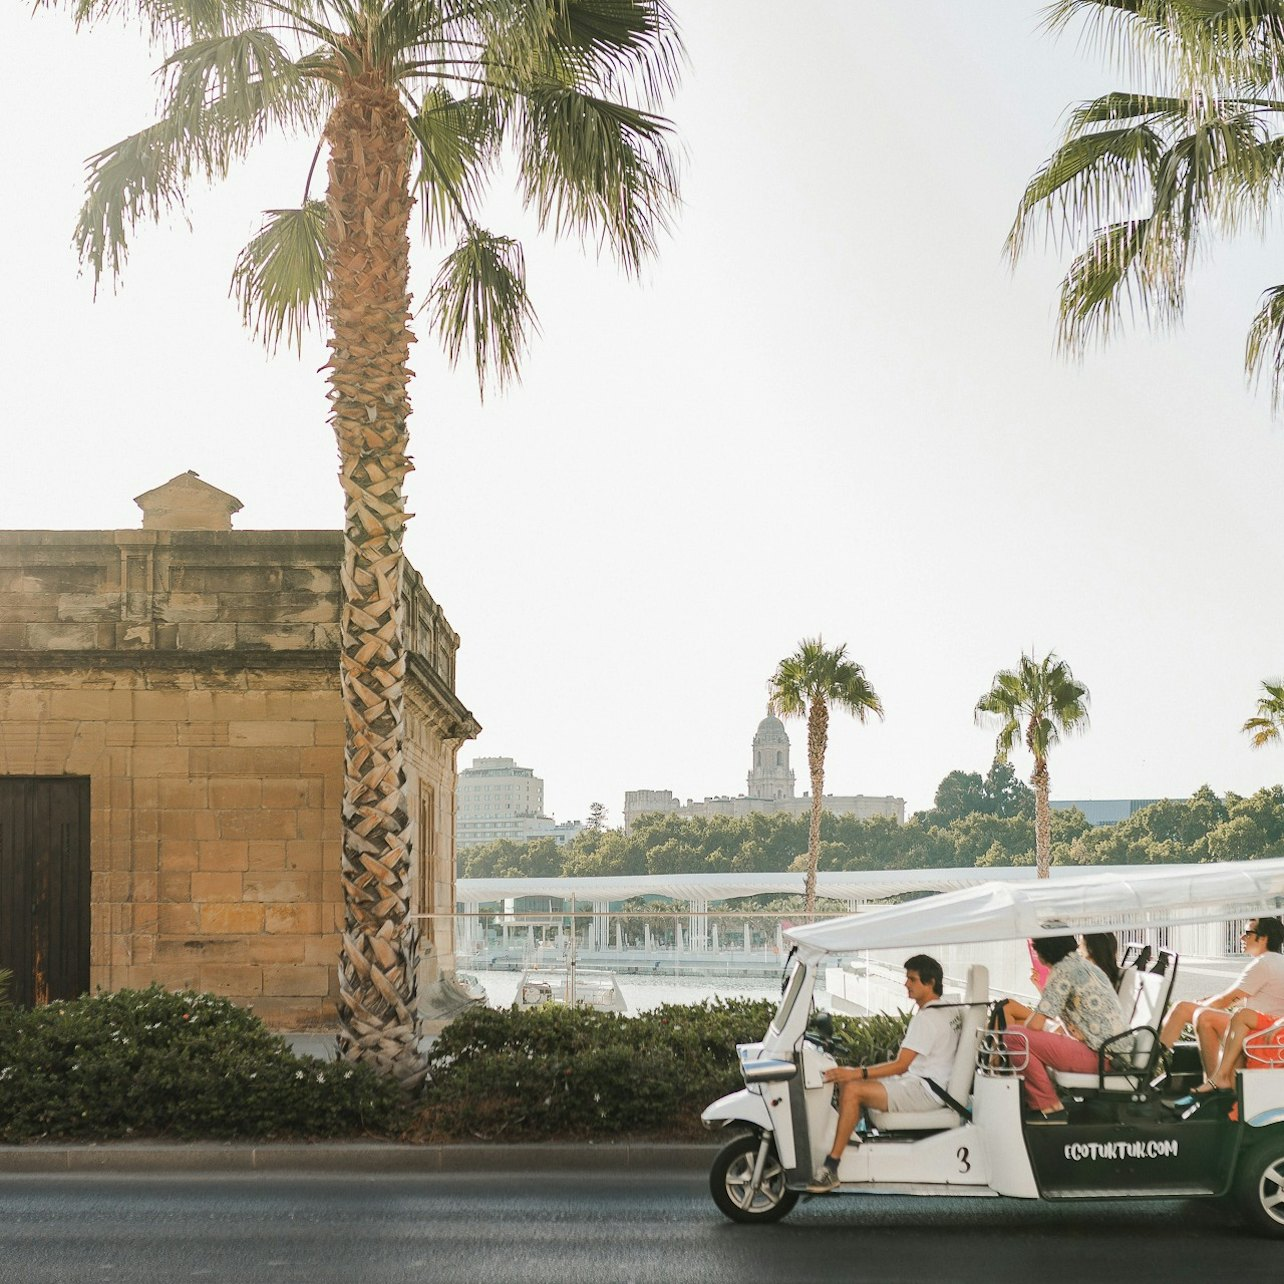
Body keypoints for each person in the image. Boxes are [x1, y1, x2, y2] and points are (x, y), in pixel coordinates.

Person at [807, 954, 961, 1193]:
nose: (906, 984)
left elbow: (901, 1065)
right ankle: (849, 1139)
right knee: (851, 1082)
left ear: (930, 982)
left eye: (912, 979)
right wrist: (856, 1074)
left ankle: (831, 1167)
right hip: (929, 1084)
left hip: (925, 1090)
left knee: (853, 1088)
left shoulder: (928, 1019)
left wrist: (856, 1072)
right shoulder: (950, 1009)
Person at [1005, 935, 1129, 1122]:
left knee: (1015, 1035)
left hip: (1103, 1058)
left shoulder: (1063, 971)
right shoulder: (1083, 966)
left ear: (1044, 952)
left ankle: (1050, 1108)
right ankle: (1043, 1103)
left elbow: (1035, 1024)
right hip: (1110, 1054)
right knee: (1024, 1035)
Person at [1162, 916, 1284, 1091]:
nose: (1241, 937)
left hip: (1259, 1030)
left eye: (1247, 933)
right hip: (1261, 1026)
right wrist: (1204, 1002)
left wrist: (1201, 1006)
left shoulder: (1264, 963)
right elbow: (1238, 998)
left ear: (1263, 938)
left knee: (1197, 1014)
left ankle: (1152, 1063)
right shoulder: (1274, 961)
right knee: (1190, 1009)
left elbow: (1225, 1001)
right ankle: (1213, 1080)